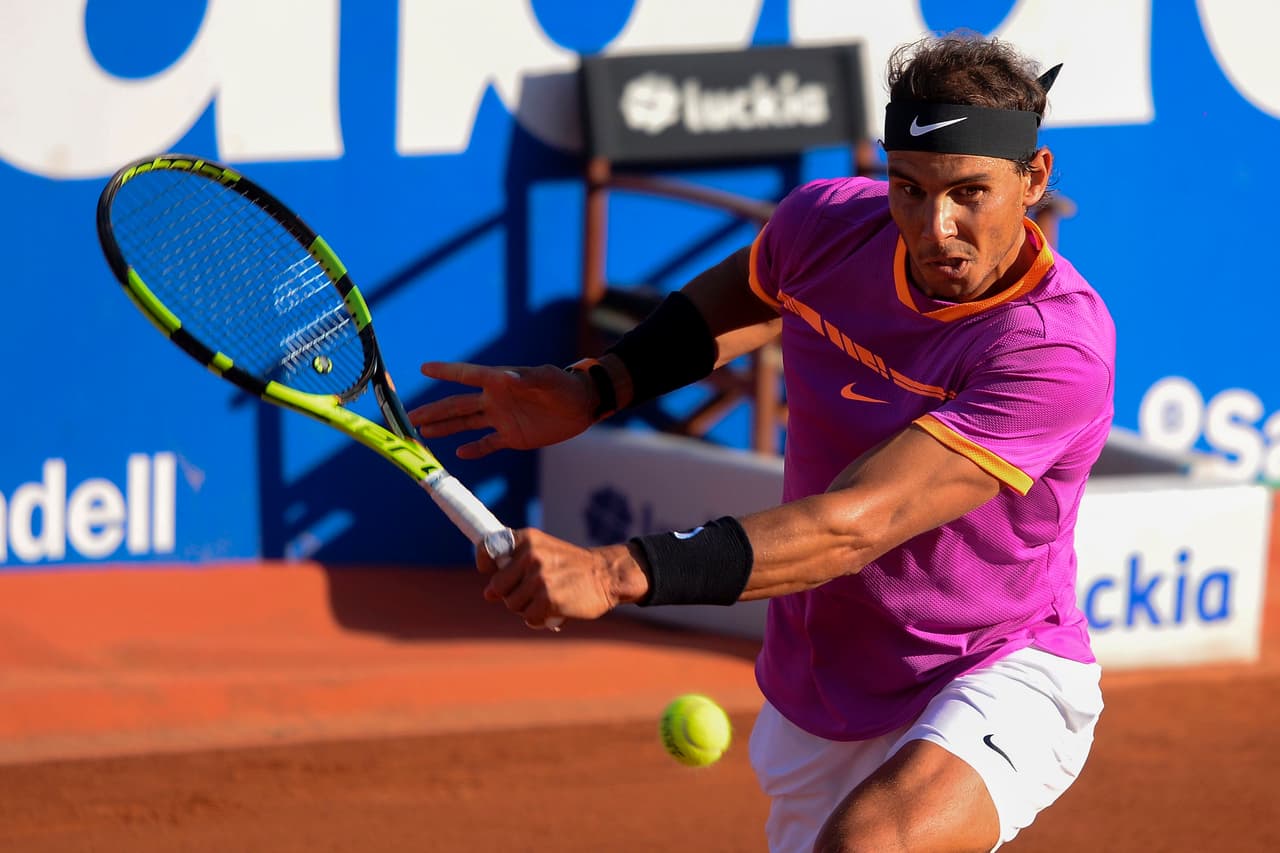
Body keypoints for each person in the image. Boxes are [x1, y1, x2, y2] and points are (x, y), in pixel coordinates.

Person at [410, 32, 1113, 853]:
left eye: (969, 192)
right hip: (819, 678)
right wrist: (597, 385)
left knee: (871, 844)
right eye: (909, 189)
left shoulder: (1050, 351)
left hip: (995, 663)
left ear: (1034, 179)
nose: (935, 226)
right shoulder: (828, 227)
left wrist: (610, 571)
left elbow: (855, 522)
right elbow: (743, 294)